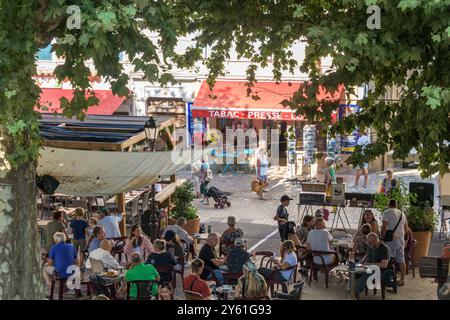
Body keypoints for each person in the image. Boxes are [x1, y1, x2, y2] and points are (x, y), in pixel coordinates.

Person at [43, 232, 81, 297]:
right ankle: (75, 290)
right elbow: (77, 262)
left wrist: (46, 262)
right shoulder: (71, 246)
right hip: (72, 271)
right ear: (64, 239)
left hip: (60, 273)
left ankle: (48, 288)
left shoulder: (54, 247)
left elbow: (49, 263)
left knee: (44, 268)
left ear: (56, 240)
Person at [381, 199, 408, 286]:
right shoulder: (402, 214)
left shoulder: (387, 212)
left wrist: (382, 237)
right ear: (396, 205)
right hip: (400, 239)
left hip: (390, 240)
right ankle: (402, 280)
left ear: (388, 205)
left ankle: (389, 279)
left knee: (389, 259)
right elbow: (406, 229)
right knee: (401, 259)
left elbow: (384, 227)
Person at [355, 233, 390, 299]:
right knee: (354, 269)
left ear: (376, 240)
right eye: (368, 243)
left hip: (379, 269)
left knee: (367, 272)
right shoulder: (371, 245)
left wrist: (368, 264)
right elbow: (367, 254)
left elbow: (384, 265)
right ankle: (352, 288)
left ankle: (357, 291)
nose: (369, 245)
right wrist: (362, 261)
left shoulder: (384, 248)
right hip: (369, 266)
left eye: (371, 243)